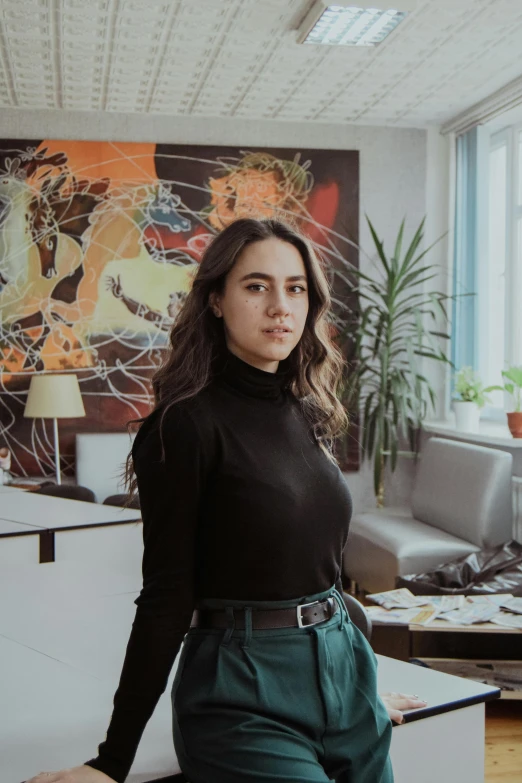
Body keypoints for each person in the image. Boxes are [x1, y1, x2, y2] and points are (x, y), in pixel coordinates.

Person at [27, 218, 427, 783]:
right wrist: (111, 763)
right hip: (241, 692)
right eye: (256, 286)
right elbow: (167, 597)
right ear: (216, 299)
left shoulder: (306, 411)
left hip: (341, 675)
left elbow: (317, 567)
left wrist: (351, 689)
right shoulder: (183, 426)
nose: (280, 307)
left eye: (296, 288)